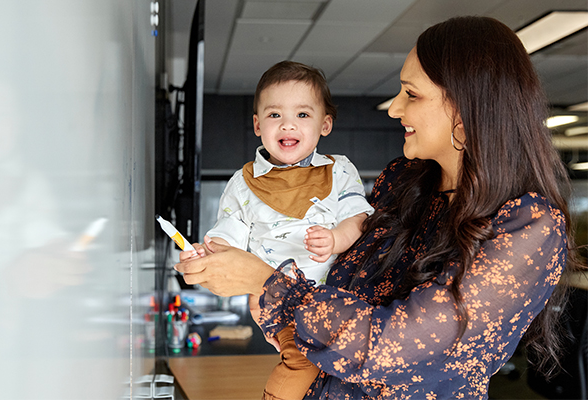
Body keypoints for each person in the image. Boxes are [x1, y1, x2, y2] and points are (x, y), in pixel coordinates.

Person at [176, 16, 584, 399]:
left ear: (465, 107)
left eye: (411, 94)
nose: (394, 108)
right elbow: (337, 288)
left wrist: (268, 284)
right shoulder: (405, 181)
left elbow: (392, 348)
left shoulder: (529, 224)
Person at [185, 61, 374, 400]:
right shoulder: (244, 183)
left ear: (324, 124)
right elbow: (229, 233)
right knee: (301, 360)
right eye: (274, 115)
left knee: (336, 369)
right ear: (257, 124)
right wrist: (207, 252)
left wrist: (335, 239)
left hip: (337, 297)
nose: (288, 123)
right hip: (275, 298)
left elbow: (359, 218)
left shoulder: (340, 170)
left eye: (302, 114)